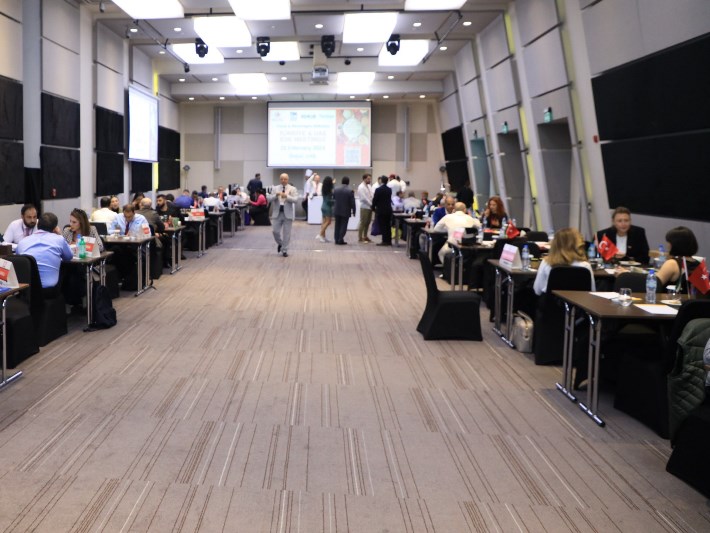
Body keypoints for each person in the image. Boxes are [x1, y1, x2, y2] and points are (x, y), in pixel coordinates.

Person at [16, 212, 73, 291]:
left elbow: (19, 258)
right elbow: (69, 257)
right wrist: (59, 234)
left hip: (27, 290)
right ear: (55, 228)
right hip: (49, 290)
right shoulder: (59, 239)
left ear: (37, 224)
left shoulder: (22, 242)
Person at [533, 227, 595, 295]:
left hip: (551, 301)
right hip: (578, 301)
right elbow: (592, 291)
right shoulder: (585, 266)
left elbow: (537, 290)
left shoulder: (546, 262)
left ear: (555, 244)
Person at [267, 173, 298, 257]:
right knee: (275, 231)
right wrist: (275, 195)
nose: (283, 180)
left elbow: (296, 200)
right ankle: (281, 244)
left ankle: (284, 250)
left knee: (287, 233)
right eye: (282, 179)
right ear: (280, 179)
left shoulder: (293, 189)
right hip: (277, 213)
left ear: (288, 179)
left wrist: (287, 196)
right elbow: (269, 199)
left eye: (285, 179)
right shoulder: (275, 188)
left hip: (288, 214)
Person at [332, 176, 356, 245]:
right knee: (343, 225)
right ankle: (340, 239)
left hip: (337, 210)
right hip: (345, 211)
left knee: (337, 225)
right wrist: (354, 211)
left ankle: (336, 239)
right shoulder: (350, 191)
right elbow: (352, 202)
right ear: (348, 182)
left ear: (341, 181)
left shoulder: (336, 189)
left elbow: (334, 198)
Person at [372, 175, 393, 246]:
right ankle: (389, 240)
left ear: (381, 181)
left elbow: (375, 199)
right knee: (388, 225)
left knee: (383, 226)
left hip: (381, 210)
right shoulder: (389, 189)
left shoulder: (378, 190)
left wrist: (373, 207)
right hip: (388, 210)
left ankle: (384, 241)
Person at [317, 176, 335, 243]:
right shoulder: (329, 191)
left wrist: (333, 184)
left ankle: (323, 237)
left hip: (323, 206)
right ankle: (320, 234)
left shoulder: (323, 188)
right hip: (327, 207)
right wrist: (335, 201)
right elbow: (329, 201)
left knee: (324, 222)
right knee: (328, 222)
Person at [357, 173, 373, 243]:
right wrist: (371, 204)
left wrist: (373, 204)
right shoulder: (361, 187)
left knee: (368, 222)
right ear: (364, 179)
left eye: (370, 179)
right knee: (363, 222)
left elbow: (371, 195)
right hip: (364, 207)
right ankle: (360, 238)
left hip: (370, 207)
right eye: (368, 179)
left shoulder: (369, 186)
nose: (369, 180)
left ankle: (365, 236)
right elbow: (364, 198)